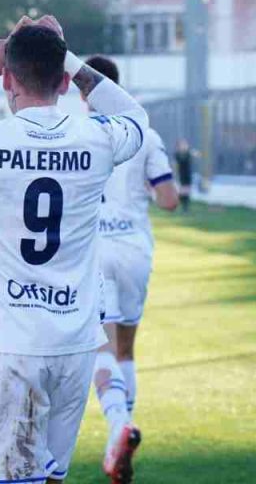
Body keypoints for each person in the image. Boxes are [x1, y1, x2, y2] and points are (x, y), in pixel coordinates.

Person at [0, 16, 149, 484]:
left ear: (8, 79)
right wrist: (69, 56)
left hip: (10, 345)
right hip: (75, 344)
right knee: (50, 477)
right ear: (63, 80)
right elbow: (137, 118)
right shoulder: (96, 137)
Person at [79, 55, 176, 483]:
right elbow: (169, 199)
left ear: (86, 92)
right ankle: (118, 438)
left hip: (94, 251)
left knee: (101, 347)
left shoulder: (79, 132)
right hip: (135, 249)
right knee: (126, 350)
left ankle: (118, 425)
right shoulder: (146, 134)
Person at [174, 139, 193, 213]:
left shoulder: (188, 154)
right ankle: (182, 206)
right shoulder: (178, 155)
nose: (184, 146)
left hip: (188, 175)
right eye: (182, 145)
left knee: (187, 191)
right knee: (183, 191)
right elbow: (180, 160)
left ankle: (185, 208)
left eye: (185, 145)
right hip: (182, 175)